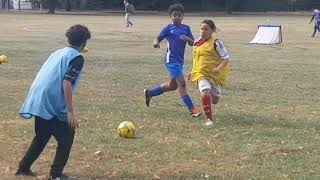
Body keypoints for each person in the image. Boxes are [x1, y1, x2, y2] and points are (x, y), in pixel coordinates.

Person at [15, 24, 91, 180]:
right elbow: (67, 83)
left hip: (38, 96)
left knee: (42, 135)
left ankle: (23, 168)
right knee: (67, 135)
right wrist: (70, 111)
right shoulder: (77, 57)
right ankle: (55, 175)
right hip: (50, 99)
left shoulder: (58, 52)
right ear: (84, 43)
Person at [144, 3, 201, 117]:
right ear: (170, 16)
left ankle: (149, 93)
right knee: (182, 84)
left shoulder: (186, 28)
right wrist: (156, 43)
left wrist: (188, 38)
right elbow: (158, 38)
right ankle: (192, 110)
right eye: (174, 15)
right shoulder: (168, 28)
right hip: (171, 60)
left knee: (172, 86)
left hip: (179, 61)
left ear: (182, 16)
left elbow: (192, 43)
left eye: (179, 15)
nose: (177, 17)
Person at [188, 20, 230, 126]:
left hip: (214, 75)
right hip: (201, 74)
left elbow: (225, 58)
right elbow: (196, 59)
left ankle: (208, 102)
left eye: (206, 29)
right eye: (201, 28)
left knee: (215, 100)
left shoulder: (216, 43)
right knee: (205, 92)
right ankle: (209, 119)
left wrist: (218, 68)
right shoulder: (196, 43)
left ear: (212, 31)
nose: (203, 31)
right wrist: (192, 71)